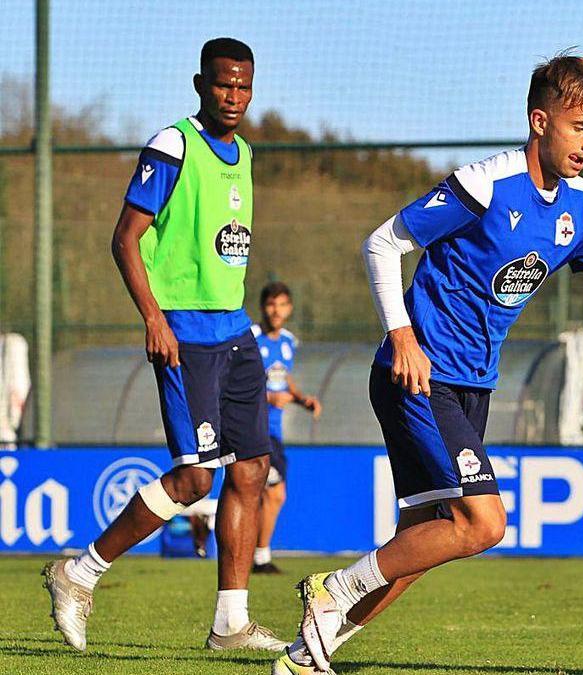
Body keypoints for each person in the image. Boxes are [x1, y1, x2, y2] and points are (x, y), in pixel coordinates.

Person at [272, 53, 583, 674]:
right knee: (484, 524)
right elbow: (383, 242)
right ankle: (333, 591)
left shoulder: (581, 208)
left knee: (420, 545)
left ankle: (306, 655)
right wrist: (401, 336)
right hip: (419, 375)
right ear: (540, 121)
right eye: (578, 126)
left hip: (472, 383)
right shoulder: (486, 184)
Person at [42, 38, 287, 652]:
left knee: (253, 467)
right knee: (196, 479)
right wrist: (153, 317)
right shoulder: (172, 144)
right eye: (223, 85)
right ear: (201, 85)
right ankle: (80, 572)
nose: (234, 96)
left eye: (244, 86)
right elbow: (126, 239)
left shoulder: (246, 153)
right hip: (184, 332)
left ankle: (230, 622)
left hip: (234, 331)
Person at [252, 281, 322, 574]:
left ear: (289, 308)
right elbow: (236, 381)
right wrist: (268, 396)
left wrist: (300, 399)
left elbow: (283, 380)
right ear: (262, 307)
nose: (275, 310)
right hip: (254, 428)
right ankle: (260, 558)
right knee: (275, 493)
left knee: (261, 493)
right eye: (270, 304)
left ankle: (253, 556)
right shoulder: (251, 338)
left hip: (274, 431)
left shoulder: (288, 342)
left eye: (281, 304)